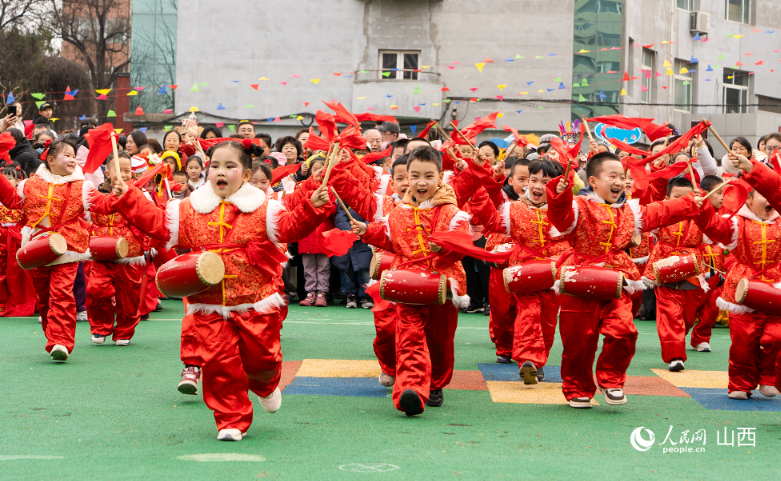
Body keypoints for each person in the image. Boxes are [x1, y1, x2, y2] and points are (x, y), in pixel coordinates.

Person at [109, 139, 331, 441]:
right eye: (215, 165)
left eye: (230, 166)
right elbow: (159, 226)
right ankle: (230, 419)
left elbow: (291, 228)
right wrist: (129, 198)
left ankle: (266, 386)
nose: (220, 172)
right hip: (209, 305)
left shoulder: (264, 208)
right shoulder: (188, 209)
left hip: (256, 303)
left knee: (262, 362)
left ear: (247, 172)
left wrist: (312, 207)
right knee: (219, 363)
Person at [546, 152, 702, 408]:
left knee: (624, 332)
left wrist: (690, 202)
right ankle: (577, 389)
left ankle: (611, 380)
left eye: (622, 177)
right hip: (579, 279)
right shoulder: (578, 205)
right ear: (593, 181)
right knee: (578, 343)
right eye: (612, 176)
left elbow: (661, 211)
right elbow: (560, 217)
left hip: (618, 280)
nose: (619, 182)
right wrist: (559, 194)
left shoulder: (630, 211)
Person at [350, 145, 470, 416]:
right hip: (407, 282)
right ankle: (411, 389)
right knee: (409, 337)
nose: (420, 182)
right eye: (414, 176)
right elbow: (391, 240)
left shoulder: (452, 212)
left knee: (440, 340)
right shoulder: (399, 211)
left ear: (440, 177)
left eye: (429, 176)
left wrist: (445, 248)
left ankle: (436, 384)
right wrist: (368, 230)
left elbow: (462, 245)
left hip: (442, 285)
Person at [0, 140, 117, 362]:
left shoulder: (82, 187)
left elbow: (104, 205)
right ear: (51, 160)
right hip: (38, 248)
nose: (73, 159)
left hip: (68, 247)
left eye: (74, 155)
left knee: (62, 293)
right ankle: (53, 335)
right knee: (44, 299)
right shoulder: (29, 185)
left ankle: (61, 341)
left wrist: (119, 193)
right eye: (67, 155)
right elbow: (13, 202)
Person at [468, 160, 568, 381]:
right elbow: (490, 220)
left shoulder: (566, 212)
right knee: (527, 313)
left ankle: (538, 358)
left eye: (546, 181)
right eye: (534, 180)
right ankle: (529, 360)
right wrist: (488, 185)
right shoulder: (513, 209)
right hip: (524, 273)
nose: (538, 186)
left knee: (547, 322)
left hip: (554, 275)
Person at [698, 153, 781, 399]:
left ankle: (767, 378)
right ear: (750, 198)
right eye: (762, 195)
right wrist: (701, 207)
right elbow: (712, 228)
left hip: (776, 287)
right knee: (744, 341)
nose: (769, 201)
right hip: (743, 287)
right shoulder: (736, 224)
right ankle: (741, 384)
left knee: (775, 338)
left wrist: (753, 168)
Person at [641, 177, 708, 372]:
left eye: (686, 197)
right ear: (668, 198)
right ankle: (675, 356)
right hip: (664, 266)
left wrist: (703, 207)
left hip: (691, 269)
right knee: (670, 312)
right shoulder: (660, 214)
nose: (681, 202)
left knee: (687, 315)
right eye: (676, 197)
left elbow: (715, 229)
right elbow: (645, 210)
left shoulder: (700, 215)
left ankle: (679, 339)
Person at [86, 152, 146, 346]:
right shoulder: (94, 196)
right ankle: (100, 327)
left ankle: (124, 332)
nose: (123, 174)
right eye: (118, 170)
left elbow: (148, 220)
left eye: (127, 170)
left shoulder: (139, 194)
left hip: (129, 254)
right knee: (96, 290)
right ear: (107, 172)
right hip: (101, 253)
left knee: (129, 296)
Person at [689, 175, 727, 353]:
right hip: (698, 269)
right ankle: (677, 334)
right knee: (691, 309)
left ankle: (701, 338)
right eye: (719, 193)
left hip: (718, 270)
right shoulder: (694, 213)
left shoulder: (725, 215)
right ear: (706, 193)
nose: (722, 197)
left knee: (712, 307)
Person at [296, 157, 335, 307]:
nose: (319, 172)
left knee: (324, 266)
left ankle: (322, 293)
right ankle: (310, 292)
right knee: (308, 267)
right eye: (315, 169)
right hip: (306, 234)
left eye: (322, 169)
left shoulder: (330, 189)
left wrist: (324, 203)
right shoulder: (302, 188)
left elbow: (333, 210)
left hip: (324, 234)